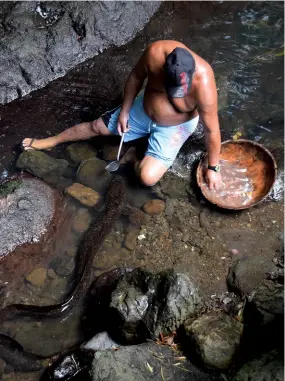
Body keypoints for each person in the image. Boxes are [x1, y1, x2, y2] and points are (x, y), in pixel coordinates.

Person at [22, 40, 222, 190]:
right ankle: (53, 140)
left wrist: (213, 168)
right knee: (95, 127)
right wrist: (125, 111)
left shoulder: (204, 84)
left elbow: (212, 131)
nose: (174, 94)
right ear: (163, 68)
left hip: (174, 128)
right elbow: (136, 77)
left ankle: (134, 157)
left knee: (147, 178)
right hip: (142, 111)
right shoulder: (154, 53)